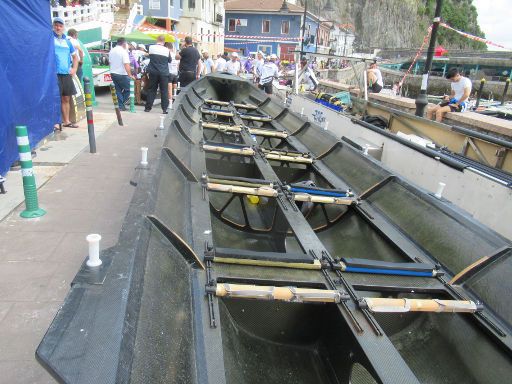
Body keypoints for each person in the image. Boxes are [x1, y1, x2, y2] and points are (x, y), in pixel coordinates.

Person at [52, 17, 79, 129]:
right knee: (55, 98)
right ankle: (56, 122)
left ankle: (66, 121)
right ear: (53, 26)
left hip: (66, 74)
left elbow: (75, 57)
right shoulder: (49, 39)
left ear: (63, 27)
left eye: (60, 26)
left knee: (66, 98)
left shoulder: (68, 42)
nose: (58, 27)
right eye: (56, 25)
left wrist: (74, 69)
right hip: (54, 74)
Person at [144, 35, 172, 113]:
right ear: (164, 41)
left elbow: (148, 55)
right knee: (164, 90)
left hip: (153, 72)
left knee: (152, 89)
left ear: (157, 40)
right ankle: (164, 109)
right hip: (164, 73)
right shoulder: (166, 50)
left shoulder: (151, 47)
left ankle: (148, 108)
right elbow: (170, 60)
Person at [109, 37, 134, 111]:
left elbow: (110, 63)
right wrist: (130, 75)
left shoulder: (112, 51)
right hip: (122, 74)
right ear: (124, 44)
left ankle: (120, 106)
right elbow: (126, 64)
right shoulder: (123, 52)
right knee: (129, 89)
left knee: (118, 90)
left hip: (113, 72)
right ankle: (121, 104)